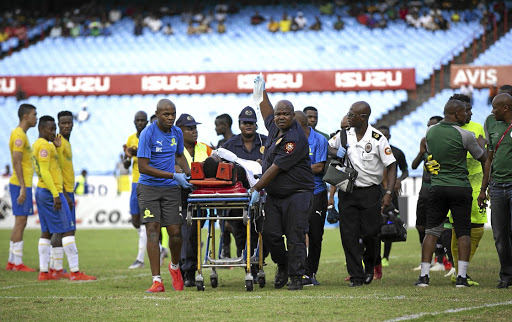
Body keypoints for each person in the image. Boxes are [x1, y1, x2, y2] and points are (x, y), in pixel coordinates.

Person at [251, 75, 315, 291]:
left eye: (285, 114)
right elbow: (265, 110)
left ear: (293, 117)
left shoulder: (294, 139)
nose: (280, 117)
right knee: (270, 234)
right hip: (276, 195)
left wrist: (256, 188)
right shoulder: (274, 127)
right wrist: (261, 92)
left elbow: (276, 168)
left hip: (297, 194)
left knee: (295, 235)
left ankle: (296, 277)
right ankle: (284, 265)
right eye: (278, 113)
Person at [416, 99, 486, 288]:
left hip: (437, 187)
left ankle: (424, 276)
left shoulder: (430, 131)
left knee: (431, 231)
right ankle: (462, 277)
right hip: (460, 187)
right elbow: (483, 157)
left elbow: (431, 157)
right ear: (455, 114)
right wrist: (483, 145)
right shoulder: (465, 134)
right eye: (464, 112)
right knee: (463, 232)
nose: (467, 115)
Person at [328, 102, 397, 287]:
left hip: (370, 192)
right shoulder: (343, 135)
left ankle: (369, 266)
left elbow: (391, 165)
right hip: (347, 192)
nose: (349, 116)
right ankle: (356, 276)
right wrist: (335, 151)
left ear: (363, 117)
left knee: (371, 234)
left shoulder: (377, 138)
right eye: (349, 113)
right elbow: (325, 147)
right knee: (348, 235)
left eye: (352, 114)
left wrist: (388, 192)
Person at [136, 99, 193, 293]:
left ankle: (175, 267)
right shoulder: (147, 134)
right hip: (149, 188)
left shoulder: (176, 132)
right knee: (152, 230)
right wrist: (173, 175)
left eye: (173, 114)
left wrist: (189, 173)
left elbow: (179, 156)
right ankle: (157, 280)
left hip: (170, 189)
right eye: (166, 114)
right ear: (157, 114)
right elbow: (142, 167)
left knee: (176, 233)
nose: (170, 118)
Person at [33, 115, 96, 281]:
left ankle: (45, 272)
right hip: (50, 191)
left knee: (46, 231)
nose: (54, 132)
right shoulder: (44, 146)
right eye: (51, 129)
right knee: (67, 229)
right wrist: (56, 194)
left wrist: (57, 147)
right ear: (41, 129)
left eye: (54, 129)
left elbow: (55, 166)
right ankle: (75, 272)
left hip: (42, 190)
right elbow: (46, 171)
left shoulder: (42, 144)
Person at [448, 94, 487, 285]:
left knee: (478, 228)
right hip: (455, 182)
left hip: (476, 182)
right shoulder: (448, 130)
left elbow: (484, 156)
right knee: (458, 227)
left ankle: (460, 270)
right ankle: (460, 273)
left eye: (471, 109)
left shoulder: (477, 128)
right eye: (466, 110)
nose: (469, 113)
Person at [222, 106, 267, 264]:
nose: (248, 125)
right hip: (237, 200)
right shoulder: (229, 146)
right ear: (239, 124)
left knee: (261, 232)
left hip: (261, 197)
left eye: (252, 122)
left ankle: (257, 260)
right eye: (245, 122)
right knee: (240, 232)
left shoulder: (266, 142)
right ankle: (246, 261)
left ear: (256, 125)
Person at [479, 92, 512, 289]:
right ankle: (506, 275)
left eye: (495, 107)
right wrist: (484, 189)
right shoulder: (491, 122)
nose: (492, 111)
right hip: (497, 186)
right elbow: (489, 158)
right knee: (499, 234)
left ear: (506, 108)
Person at [175, 113, 213, 287]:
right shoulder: (173, 149)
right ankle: (187, 270)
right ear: (179, 131)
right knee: (186, 233)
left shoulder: (205, 148)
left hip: (201, 196)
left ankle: (186, 268)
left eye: (195, 128)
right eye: (189, 128)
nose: (194, 131)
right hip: (179, 196)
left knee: (193, 234)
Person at [294, 111, 328, 286]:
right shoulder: (291, 141)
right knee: (297, 233)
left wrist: (298, 167)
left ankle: (311, 272)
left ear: (301, 124)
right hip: (297, 192)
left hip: (316, 192)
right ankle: (297, 270)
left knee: (315, 234)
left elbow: (319, 167)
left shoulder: (320, 140)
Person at [6, 104, 38, 272]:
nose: (36, 117)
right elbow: (17, 161)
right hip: (20, 184)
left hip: (20, 183)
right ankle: (17, 263)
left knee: (20, 222)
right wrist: (23, 188)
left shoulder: (20, 134)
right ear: (26, 116)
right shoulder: (19, 135)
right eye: (34, 114)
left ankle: (12, 261)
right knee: (20, 222)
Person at [375, 125, 409, 272]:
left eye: (386, 136)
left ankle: (385, 257)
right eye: (381, 135)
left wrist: (399, 180)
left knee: (389, 224)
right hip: (375, 193)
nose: (384, 138)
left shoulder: (397, 152)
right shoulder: (371, 151)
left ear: (389, 137)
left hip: (391, 195)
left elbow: (405, 170)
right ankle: (372, 257)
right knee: (373, 226)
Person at [410, 116, 442, 271]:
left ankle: (441, 260)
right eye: (428, 125)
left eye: (433, 126)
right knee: (420, 225)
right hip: (424, 191)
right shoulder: (425, 144)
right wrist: (421, 151)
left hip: (438, 189)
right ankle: (426, 260)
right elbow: (414, 165)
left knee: (438, 226)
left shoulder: (444, 144)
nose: (429, 128)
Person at [48, 111, 76, 279]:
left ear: (73, 124)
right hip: (64, 191)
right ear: (58, 125)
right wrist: (63, 193)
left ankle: (55, 267)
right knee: (65, 229)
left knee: (63, 229)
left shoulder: (66, 142)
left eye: (69, 123)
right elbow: (55, 168)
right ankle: (56, 267)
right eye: (63, 123)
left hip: (69, 190)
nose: (66, 126)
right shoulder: (59, 142)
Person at [124, 111, 149, 269]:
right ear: (134, 122)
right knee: (135, 220)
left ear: (146, 122)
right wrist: (127, 157)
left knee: (144, 221)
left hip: (146, 181)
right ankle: (160, 248)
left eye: (142, 120)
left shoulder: (149, 137)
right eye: (137, 120)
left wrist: (136, 153)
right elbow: (127, 163)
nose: (139, 123)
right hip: (134, 182)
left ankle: (140, 258)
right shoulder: (131, 138)